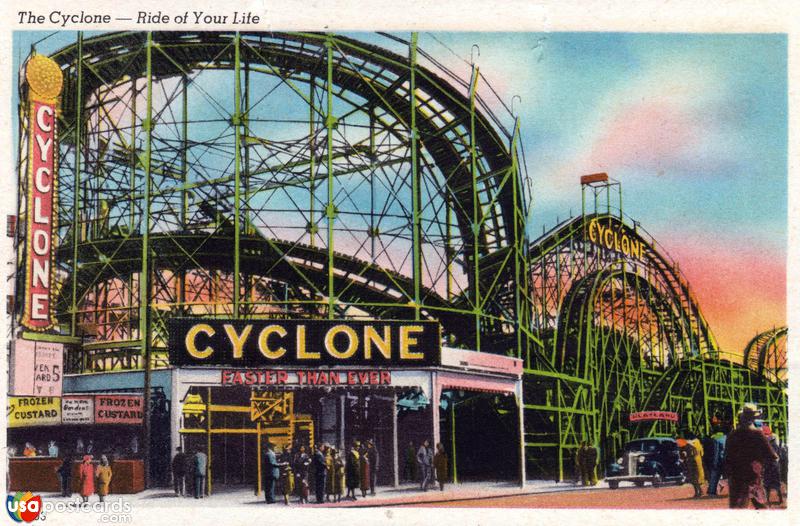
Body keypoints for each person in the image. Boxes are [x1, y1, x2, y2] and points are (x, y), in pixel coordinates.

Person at [722, 404, 778, 509]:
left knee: (737, 509)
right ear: (754, 418)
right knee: (761, 507)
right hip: (753, 476)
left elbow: (727, 457)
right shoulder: (758, 434)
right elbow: (773, 456)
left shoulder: (732, 435)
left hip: (736, 477)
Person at [763, 432, 783, 506]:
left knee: (767, 485)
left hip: (768, 467)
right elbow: (779, 456)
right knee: (776, 483)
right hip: (775, 466)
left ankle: (768, 501)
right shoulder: (776, 446)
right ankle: (780, 499)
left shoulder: (766, 447)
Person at [703, 431, 726, 496]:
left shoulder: (716, 440)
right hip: (727, 459)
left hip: (719, 460)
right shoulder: (727, 438)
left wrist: (715, 462)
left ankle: (712, 491)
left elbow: (716, 452)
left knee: (714, 475)